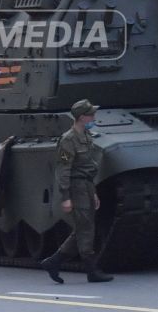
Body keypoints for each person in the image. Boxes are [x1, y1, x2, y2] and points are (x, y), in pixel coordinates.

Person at [39, 100, 112, 285]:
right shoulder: (68, 139)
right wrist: (66, 197)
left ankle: (54, 262)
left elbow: (88, 167)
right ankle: (91, 269)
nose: (94, 118)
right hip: (76, 187)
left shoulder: (86, 135)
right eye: (91, 115)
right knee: (86, 228)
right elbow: (63, 168)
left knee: (83, 226)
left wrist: (93, 191)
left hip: (86, 185)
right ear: (82, 117)